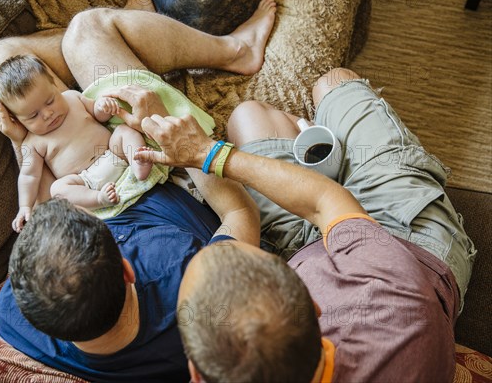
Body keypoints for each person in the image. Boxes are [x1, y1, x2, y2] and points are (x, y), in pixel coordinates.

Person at [0, 0, 276, 380]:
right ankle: (234, 50)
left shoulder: (15, 315)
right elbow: (241, 214)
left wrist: (23, 141)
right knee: (87, 30)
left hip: (84, 185)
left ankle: (127, 27)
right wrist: (168, 132)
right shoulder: (186, 274)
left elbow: (42, 211)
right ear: (127, 270)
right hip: (145, 173)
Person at [136, 68, 476, 382]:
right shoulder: (399, 307)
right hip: (406, 243)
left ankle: (319, 156)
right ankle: (331, 151)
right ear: (316, 308)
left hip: (308, 245)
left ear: (196, 376)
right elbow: (324, 201)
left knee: (248, 116)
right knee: (332, 83)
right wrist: (207, 153)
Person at [0, 54, 153, 232]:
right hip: (84, 181)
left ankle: (139, 162)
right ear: (17, 120)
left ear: (53, 84)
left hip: (114, 154)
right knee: (58, 189)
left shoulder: (72, 98)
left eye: (50, 101)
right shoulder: (32, 143)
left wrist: (102, 106)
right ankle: (99, 199)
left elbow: (98, 114)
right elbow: (29, 176)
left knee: (124, 132)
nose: (47, 114)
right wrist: (25, 207)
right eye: (33, 115)